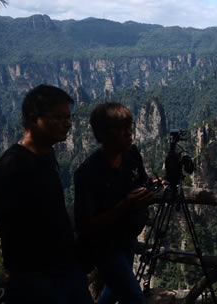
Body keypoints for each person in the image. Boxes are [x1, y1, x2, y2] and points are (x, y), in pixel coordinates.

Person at [0, 84, 93, 304]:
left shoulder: (46, 153)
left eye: (68, 117)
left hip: (67, 273)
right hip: (34, 282)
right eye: (58, 117)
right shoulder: (11, 165)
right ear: (33, 119)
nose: (67, 123)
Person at [74, 103, 156, 304]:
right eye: (122, 129)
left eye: (130, 127)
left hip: (128, 236)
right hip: (104, 246)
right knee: (134, 298)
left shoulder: (132, 155)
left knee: (114, 290)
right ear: (105, 134)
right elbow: (85, 225)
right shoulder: (88, 173)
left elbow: (142, 181)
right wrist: (125, 205)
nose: (130, 133)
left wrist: (150, 187)